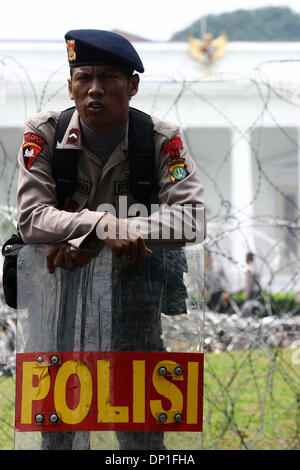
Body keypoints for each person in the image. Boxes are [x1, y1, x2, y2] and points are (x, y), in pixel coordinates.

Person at [16, 29, 206, 450]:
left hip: (136, 302)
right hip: (60, 304)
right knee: (59, 431)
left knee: (141, 433)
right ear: (70, 86)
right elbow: (30, 219)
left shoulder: (159, 140)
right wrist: (101, 226)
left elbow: (192, 218)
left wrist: (114, 231)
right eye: (84, 78)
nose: (95, 89)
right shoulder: (44, 134)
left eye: (109, 78)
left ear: (132, 85)